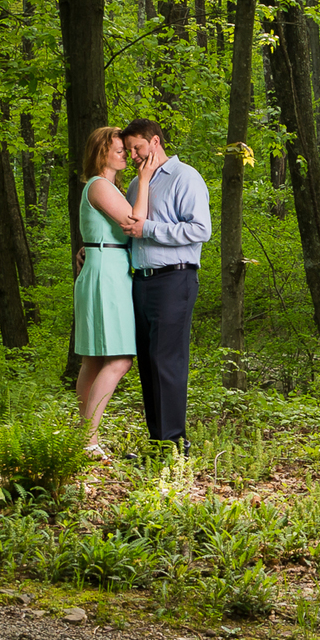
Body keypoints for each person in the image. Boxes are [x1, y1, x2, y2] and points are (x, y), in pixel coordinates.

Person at [119, 117, 211, 450]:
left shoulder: (185, 177)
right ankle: (158, 443)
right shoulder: (135, 185)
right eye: (129, 150)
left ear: (155, 142)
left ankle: (174, 446)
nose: (133, 156)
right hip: (141, 282)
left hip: (175, 278)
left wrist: (151, 230)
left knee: (166, 361)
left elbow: (201, 230)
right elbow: (128, 230)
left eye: (137, 148)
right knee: (148, 361)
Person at [71, 125, 141, 455]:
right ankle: (89, 440)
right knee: (119, 359)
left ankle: (83, 438)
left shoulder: (107, 187)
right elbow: (133, 224)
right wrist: (149, 177)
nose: (125, 153)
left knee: (94, 360)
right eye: (119, 149)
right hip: (106, 272)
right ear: (102, 151)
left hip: (106, 264)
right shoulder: (100, 185)